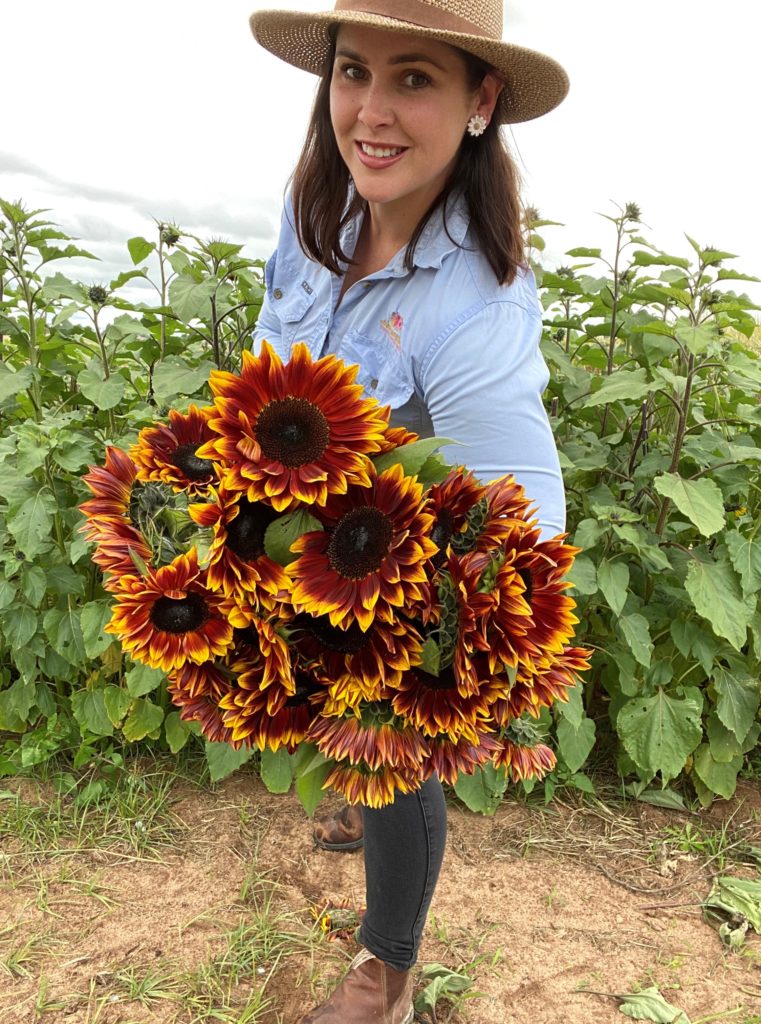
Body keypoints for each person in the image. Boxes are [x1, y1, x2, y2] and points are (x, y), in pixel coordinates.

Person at [248, 1, 569, 1020]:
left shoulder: (475, 303)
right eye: (353, 71)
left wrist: (447, 655)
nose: (371, 111)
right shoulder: (315, 228)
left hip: (403, 576)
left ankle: (385, 963)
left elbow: (525, 529)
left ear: (481, 100)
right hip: (311, 533)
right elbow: (267, 376)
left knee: (395, 738)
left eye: (414, 78)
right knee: (325, 707)